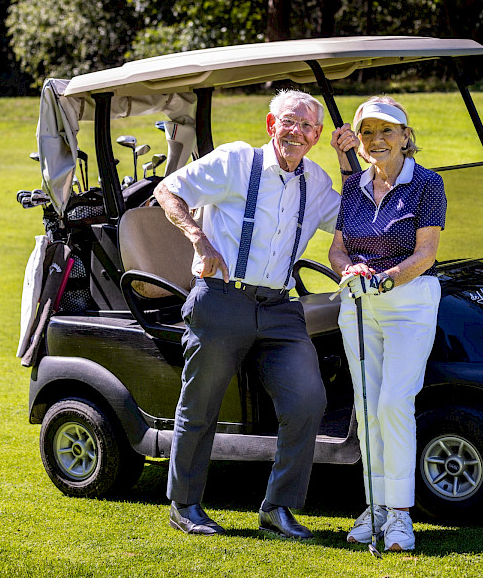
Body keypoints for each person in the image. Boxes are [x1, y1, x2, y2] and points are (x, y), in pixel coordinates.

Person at [154, 90, 356, 540]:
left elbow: (354, 219)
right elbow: (167, 191)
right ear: (271, 124)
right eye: (289, 122)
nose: (296, 132)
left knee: (308, 400)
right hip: (222, 298)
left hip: (281, 308)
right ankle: (184, 505)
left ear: (317, 136)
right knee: (201, 404)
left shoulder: (317, 181)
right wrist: (199, 239)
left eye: (307, 126)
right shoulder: (236, 162)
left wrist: (348, 159)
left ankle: (278, 508)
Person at [328, 96, 446, 552]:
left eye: (387, 130)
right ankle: (375, 505)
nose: (377, 139)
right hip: (358, 303)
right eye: (368, 132)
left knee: (395, 402)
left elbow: (425, 253)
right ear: (358, 140)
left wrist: (385, 279)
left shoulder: (427, 183)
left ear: (405, 136)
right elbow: (338, 248)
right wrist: (350, 270)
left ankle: (399, 515)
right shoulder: (354, 186)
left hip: (409, 301)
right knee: (367, 407)